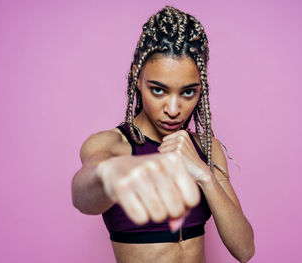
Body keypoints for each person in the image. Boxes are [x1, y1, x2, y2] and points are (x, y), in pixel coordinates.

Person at [71, 5, 255, 263]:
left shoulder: (206, 148)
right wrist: (108, 175)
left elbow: (245, 250)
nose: (173, 109)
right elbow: (82, 197)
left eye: (188, 92)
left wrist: (204, 174)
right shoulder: (113, 146)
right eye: (159, 90)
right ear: (137, 76)